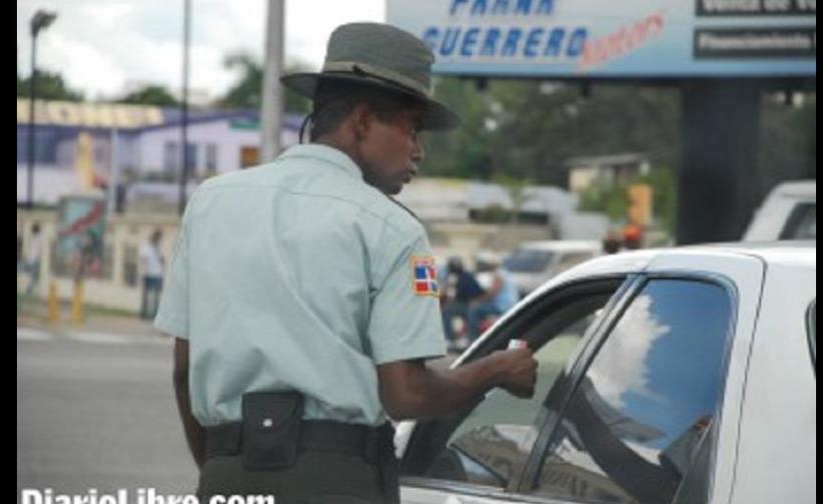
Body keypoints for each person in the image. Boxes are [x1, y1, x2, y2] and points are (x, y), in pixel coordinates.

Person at [156, 23, 538, 504]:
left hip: (225, 473)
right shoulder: (392, 229)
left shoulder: (210, 202)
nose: (419, 150)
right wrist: (497, 370)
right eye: (411, 128)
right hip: (336, 482)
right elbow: (407, 395)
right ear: (361, 122)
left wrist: (222, 468)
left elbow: (182, 369)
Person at [466, 251, 520, 342]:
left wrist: (477, 300)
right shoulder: (505, 273)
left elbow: (491, 293)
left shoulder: (498, 275)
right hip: (509, 304)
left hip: (502, 306)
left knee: (474, 310)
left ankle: (472, 338)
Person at [440, 256, 484, 348]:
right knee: (445, 309)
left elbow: (478, 293)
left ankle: (467, 338)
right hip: (462, 304)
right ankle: (451, 338)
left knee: (448, 310)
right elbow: (451, 293)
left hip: (469, 305)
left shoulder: (467, 276)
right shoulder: (452, 277)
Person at [138, 230, 164, 319]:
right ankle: (144, 313)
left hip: (157, 274)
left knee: (156, 295)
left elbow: (161, 260)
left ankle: (155, 314)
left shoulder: (158, 248)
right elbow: (143, 257)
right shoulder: (147, 247)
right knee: (146, 295)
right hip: (148, 273)